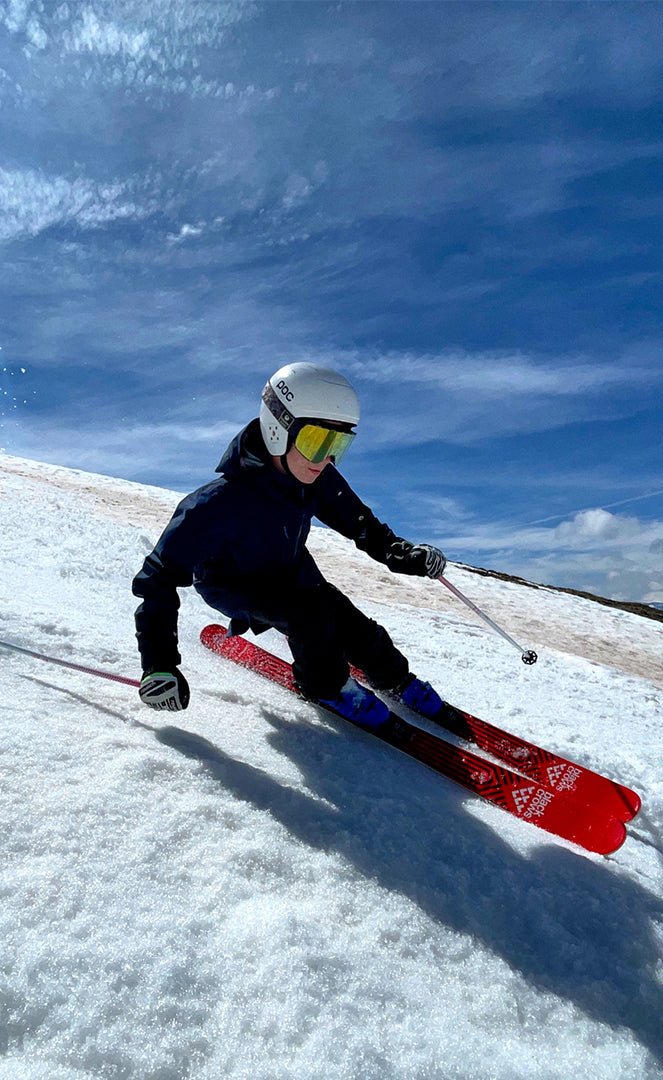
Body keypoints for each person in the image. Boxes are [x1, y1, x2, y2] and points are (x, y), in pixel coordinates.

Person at [133, 362, 447, 728]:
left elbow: (361, 525)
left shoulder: (316, 478)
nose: (326, 459)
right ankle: (327, 687)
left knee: (346, 619)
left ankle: (394, 677)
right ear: (278, 429)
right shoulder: (216, 504)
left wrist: (402, 554)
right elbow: (158, 577)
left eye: (338, 444)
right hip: (235, 583)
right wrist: (158, 664)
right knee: (309, 617)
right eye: (316, 441)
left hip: (290, 569)